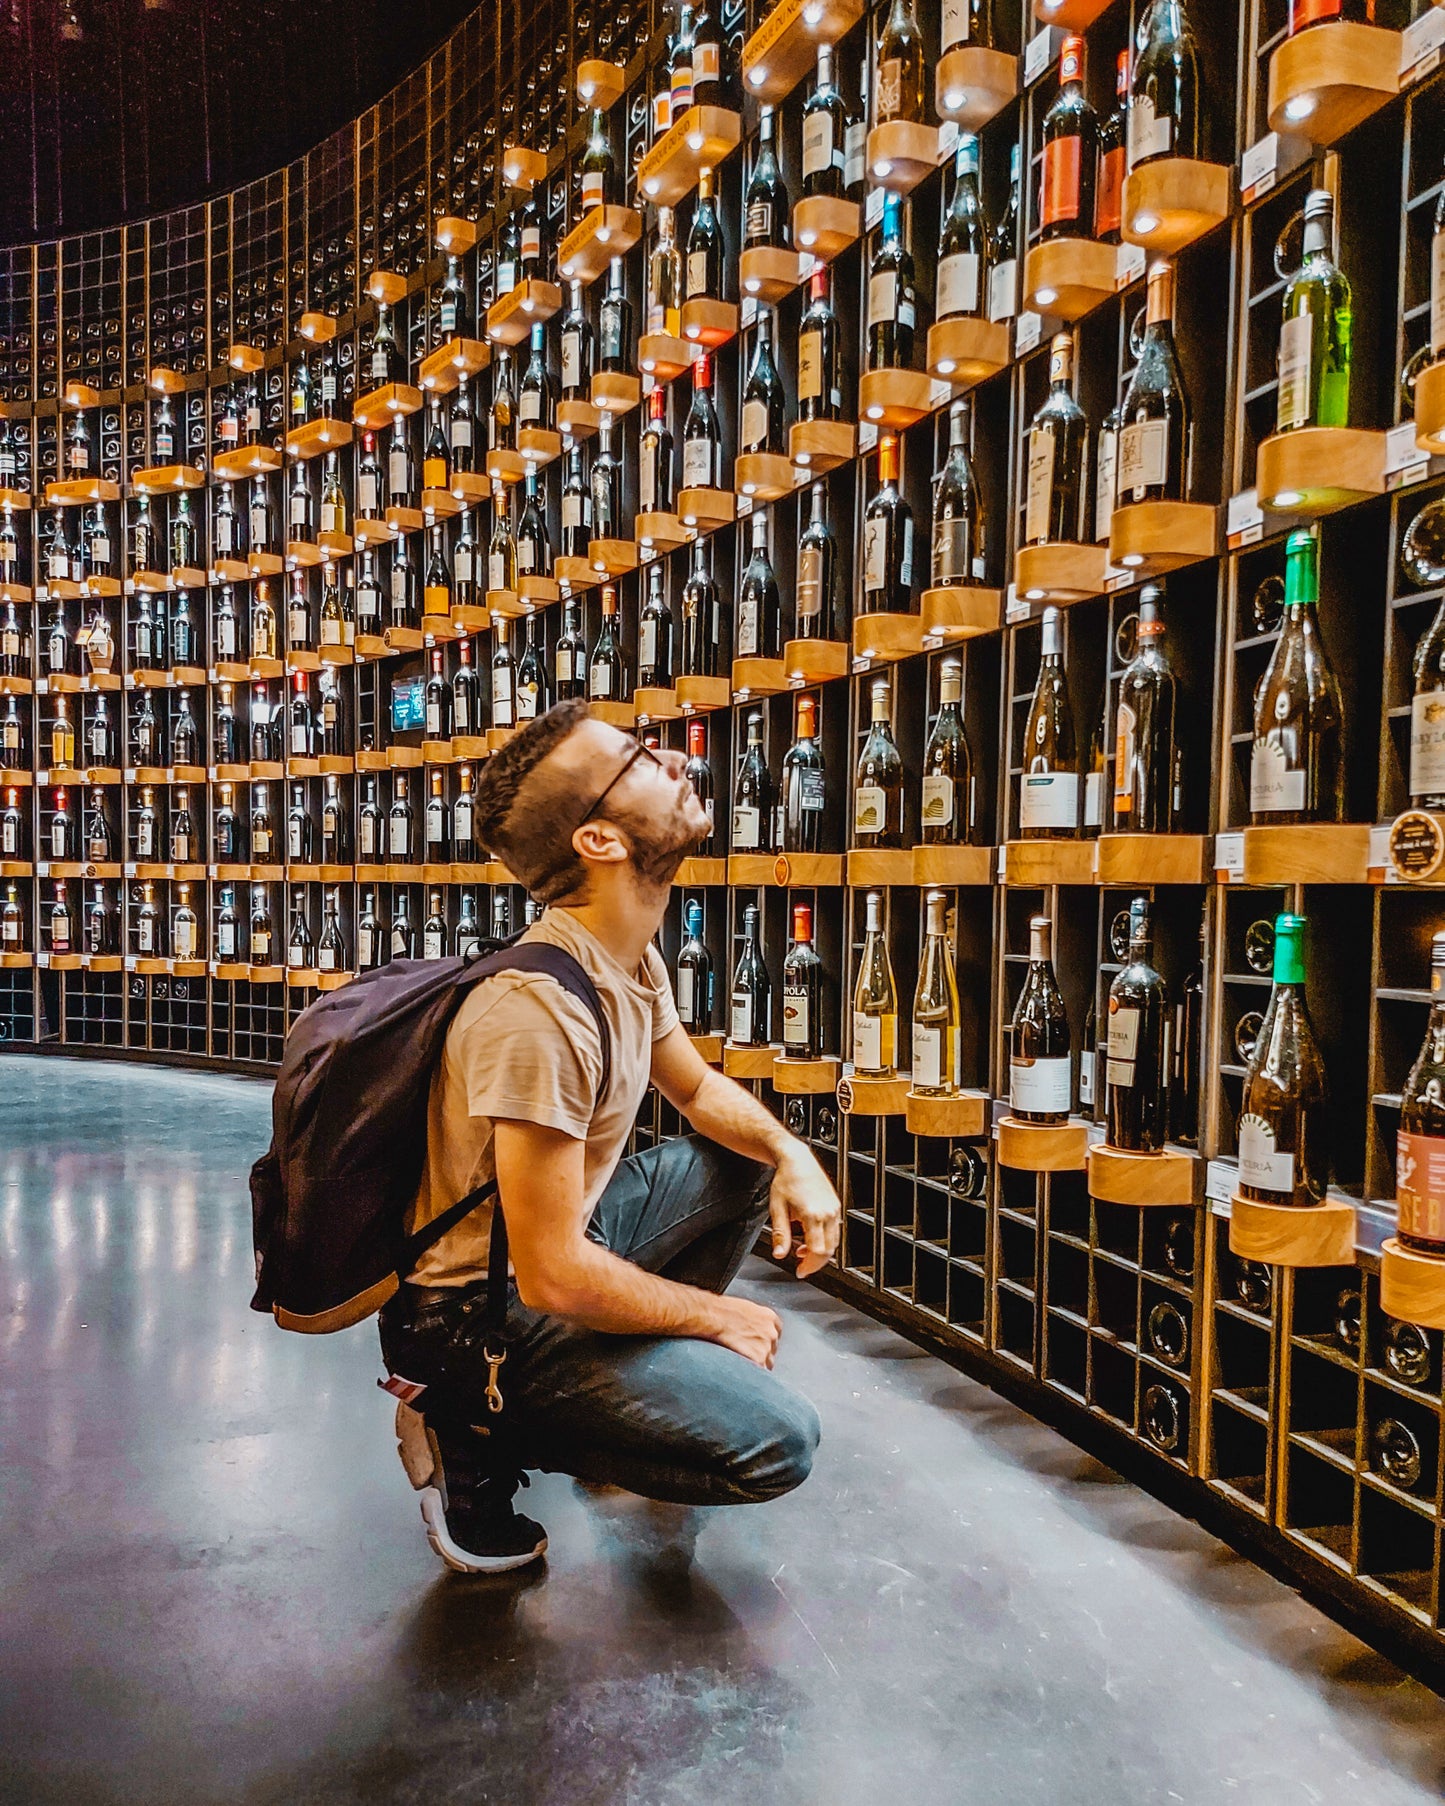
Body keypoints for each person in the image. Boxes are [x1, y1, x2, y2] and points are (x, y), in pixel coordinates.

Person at [380, 697, 842, 1573]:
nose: (670, 761)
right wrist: (714, 1317)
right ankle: (469, 1420)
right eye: (638, 759)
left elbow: (698, 1091)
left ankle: (618, 1395)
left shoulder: (625, 957)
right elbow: (551, 1275)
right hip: (476, 1311)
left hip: (550, 1252)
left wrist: (790, 1155)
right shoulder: (536, 1014)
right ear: (598, 841)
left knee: (737, 1161)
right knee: (778, 1443)